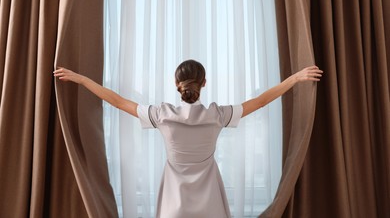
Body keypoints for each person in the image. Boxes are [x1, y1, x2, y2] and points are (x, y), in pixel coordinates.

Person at [54, 60, 322, 218]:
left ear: (176, 84)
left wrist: (80, 79)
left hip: (174, 202)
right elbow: (261, 101)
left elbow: (116, 100)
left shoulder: (162, 115)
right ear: (204, 83)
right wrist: (295, 78)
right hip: (211, 204)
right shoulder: (217, 115)